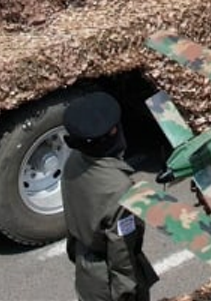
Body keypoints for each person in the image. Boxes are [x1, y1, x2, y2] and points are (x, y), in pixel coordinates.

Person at [61, 92, 158, 301]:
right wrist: (126, 295)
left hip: (86, 270)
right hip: (109, 284)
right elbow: (122, 255)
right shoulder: (120, 190)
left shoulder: (74, 161)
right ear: (114, 133)